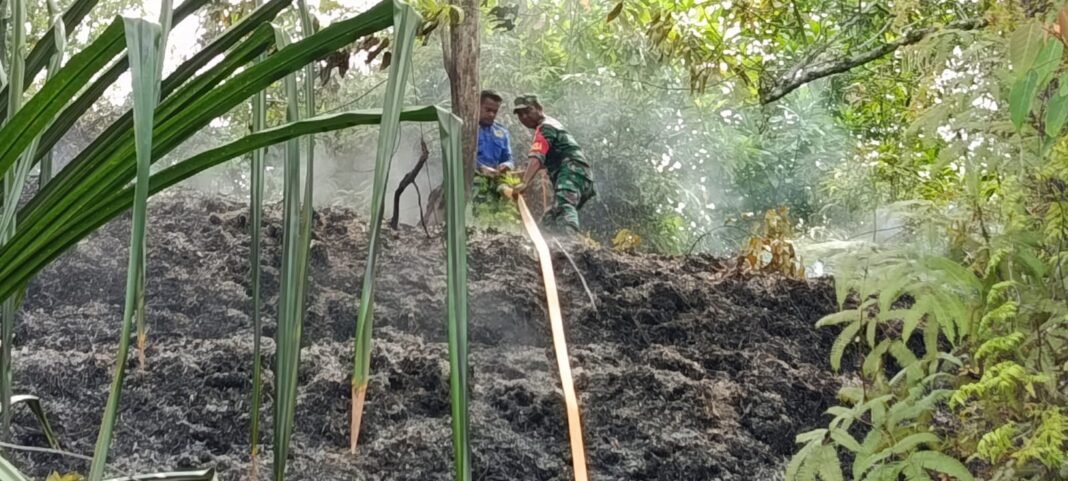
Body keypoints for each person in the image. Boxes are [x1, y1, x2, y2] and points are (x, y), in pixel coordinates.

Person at [509, 94, 595, 234]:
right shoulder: (551, 124)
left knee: (563, 206)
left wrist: (524, 182)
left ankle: (571, 244)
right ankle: (549, 245)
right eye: (520, 114)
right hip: (580, 175)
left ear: (539, 108)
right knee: (551, 220)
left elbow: (537, 157)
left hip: (572, 171)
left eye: (527, 111)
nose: (524, 117)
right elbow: (542, 161)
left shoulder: (545, 128)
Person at [476, 90, 513, 174]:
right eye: (488, 110)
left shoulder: (502, 132)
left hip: (494, 179)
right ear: (477, 106)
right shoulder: (467, 129)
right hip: (469, 180)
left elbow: (508, 158)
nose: (491, 114)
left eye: (495, 111)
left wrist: (506, 165)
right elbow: (460, 157)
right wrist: (480, 167)